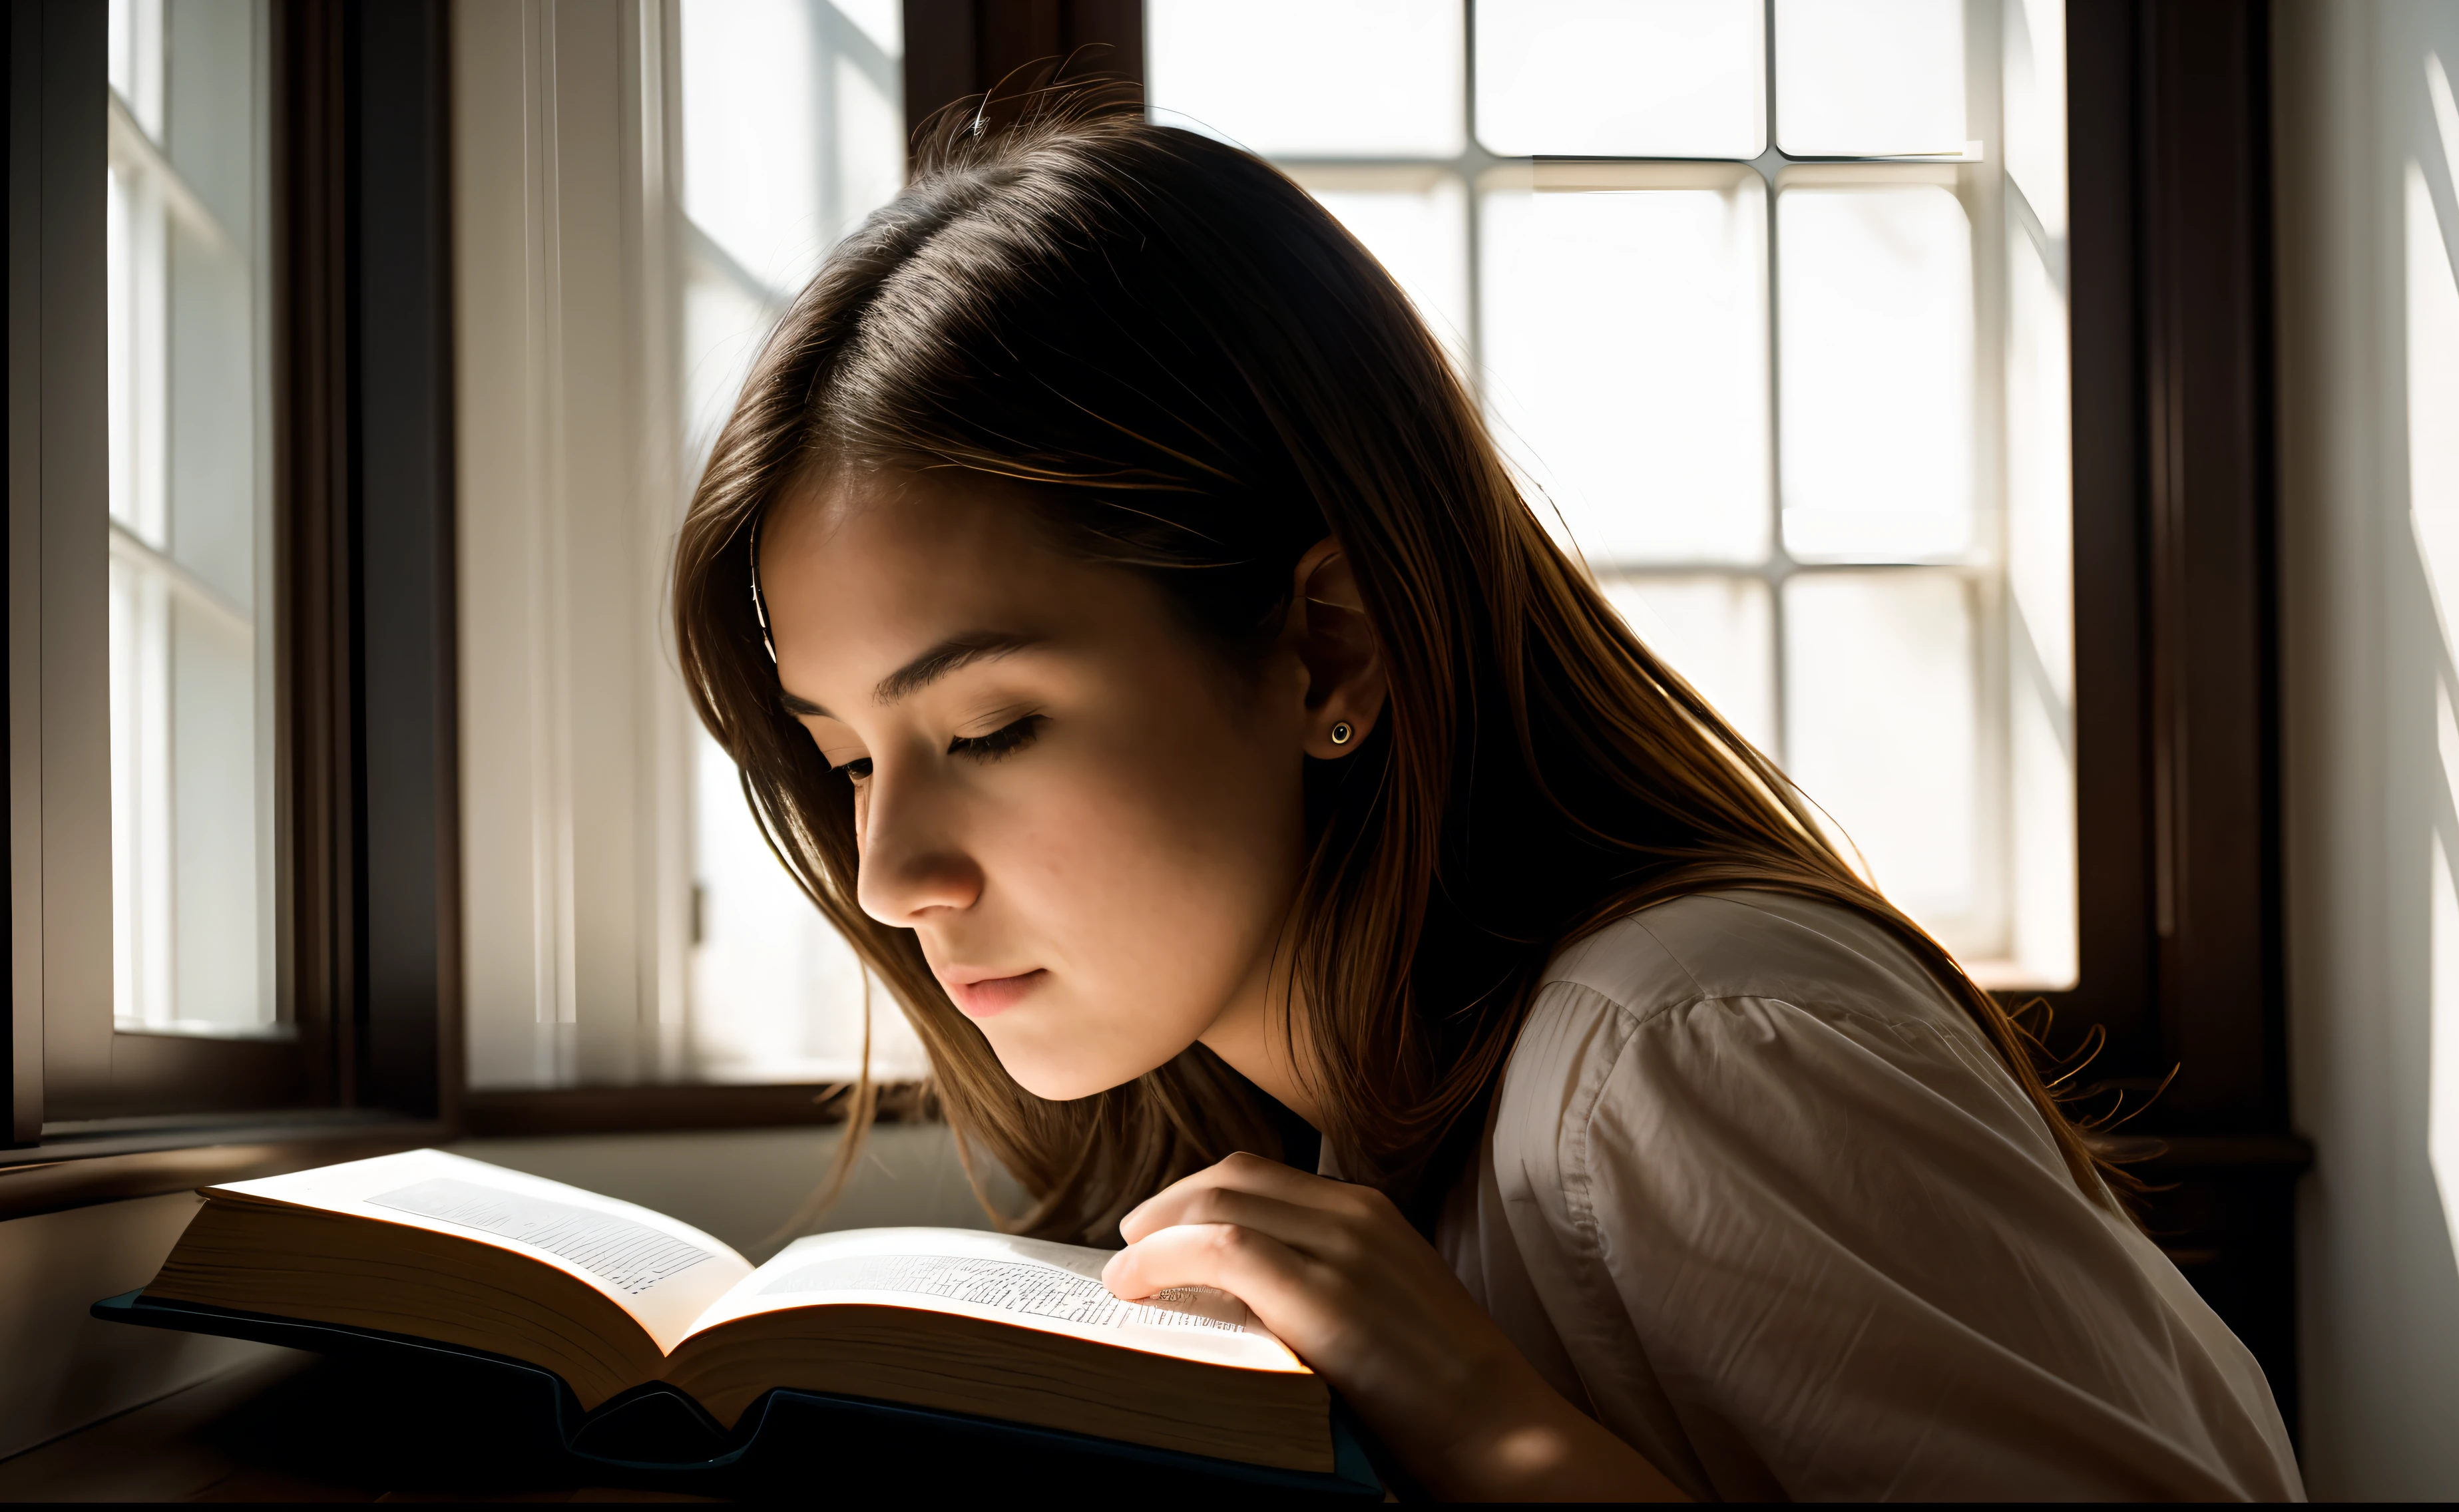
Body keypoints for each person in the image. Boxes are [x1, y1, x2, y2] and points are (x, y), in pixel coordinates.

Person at [670, 78, 2304, 1502]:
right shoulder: (1308, 1149)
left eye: (988, 728)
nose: (888, 871)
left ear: (1325, 649)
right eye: (842, 759)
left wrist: (1494, 1433)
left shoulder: (1680, 1053)